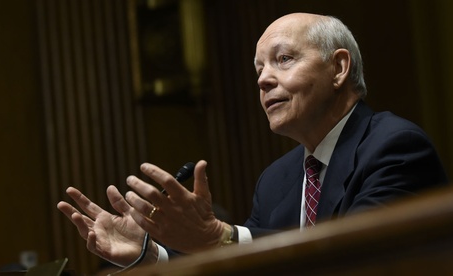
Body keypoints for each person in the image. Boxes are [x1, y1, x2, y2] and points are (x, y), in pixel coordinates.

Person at [57, 12, 449, 269]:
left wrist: (221, 236)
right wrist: (151, 254)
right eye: (259, 69)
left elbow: (355, 261)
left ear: (339, 68)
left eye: (284, 59)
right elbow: (243, 263)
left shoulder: (394, 146)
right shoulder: (277, 179)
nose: (262, 80)